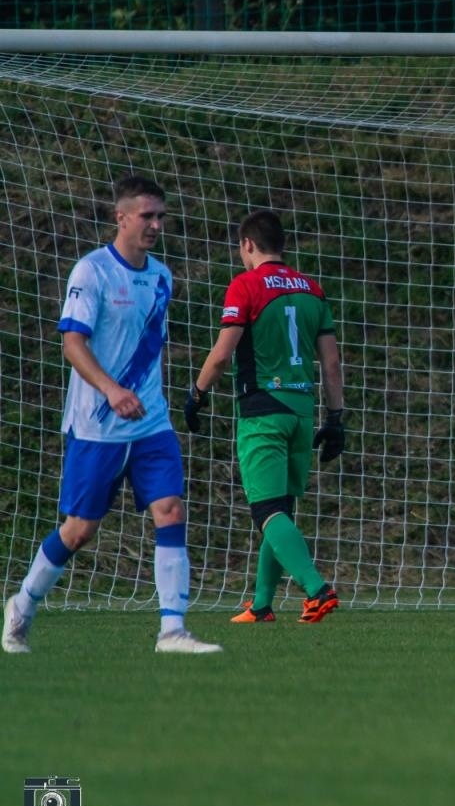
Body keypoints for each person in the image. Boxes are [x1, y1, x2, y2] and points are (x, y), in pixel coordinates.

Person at [2, 175, 222, 654]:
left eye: (160, 216)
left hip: (151, 422)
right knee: (80, 530)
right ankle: (22, 602)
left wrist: (137, 394)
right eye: (147, 216)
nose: (156, 225)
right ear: (120, 217)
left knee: (170, 508)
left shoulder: (162, 277)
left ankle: (172, 630)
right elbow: (72, 343)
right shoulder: (91, 272)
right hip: (98, 424)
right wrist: (112, 389)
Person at [186, 210, 344, 625]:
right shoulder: (312, 288)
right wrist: (336, 417)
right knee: (282, 510)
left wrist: (197, 392)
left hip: (263, 411)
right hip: (302, 412)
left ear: (248, 245)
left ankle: (317, 588)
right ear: (283, 245)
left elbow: (222, 355)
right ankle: (260, 605)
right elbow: (330, 363)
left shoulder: (247, 285)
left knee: (266, 511)